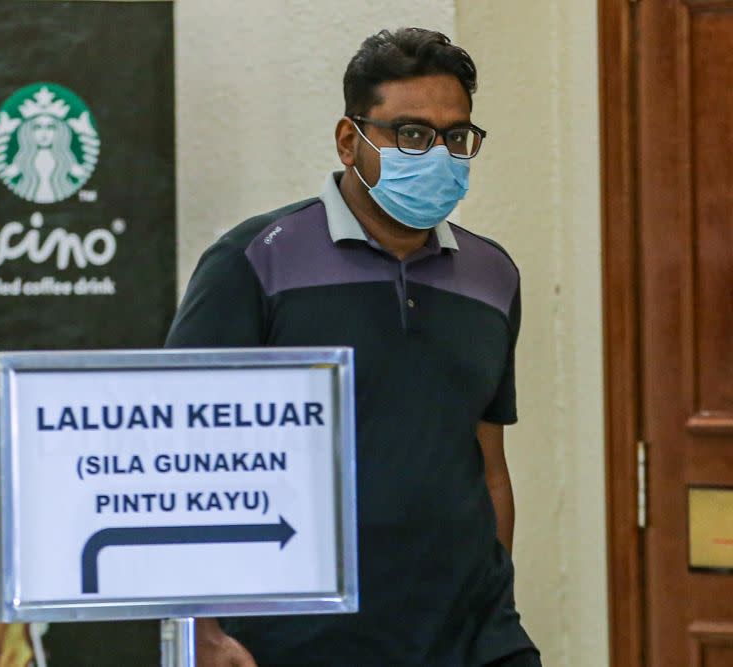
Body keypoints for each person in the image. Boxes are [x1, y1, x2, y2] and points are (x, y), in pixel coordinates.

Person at [165, 27, 540, 667]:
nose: (440, 156)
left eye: (457, 137)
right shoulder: (255, 263)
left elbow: (488, 463)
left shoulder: (492, 276)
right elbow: (177, 454)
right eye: (413, 135)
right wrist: (198, 628)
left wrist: (497, 598)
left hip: (473, 639)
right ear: (350, 140)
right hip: (299, 639)